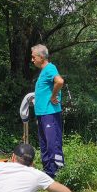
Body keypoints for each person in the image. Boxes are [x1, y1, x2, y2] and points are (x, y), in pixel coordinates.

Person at [31, 44, 65, 178]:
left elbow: (59, 81)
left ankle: (57, 172)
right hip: (42, 114)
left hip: (50, 113)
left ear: (41, 57)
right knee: (44, 144)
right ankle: (47, 172)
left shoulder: (50, 68)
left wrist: (53, 96)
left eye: (34, 57)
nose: (32, 60)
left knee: (53, 143)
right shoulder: (43, 71)